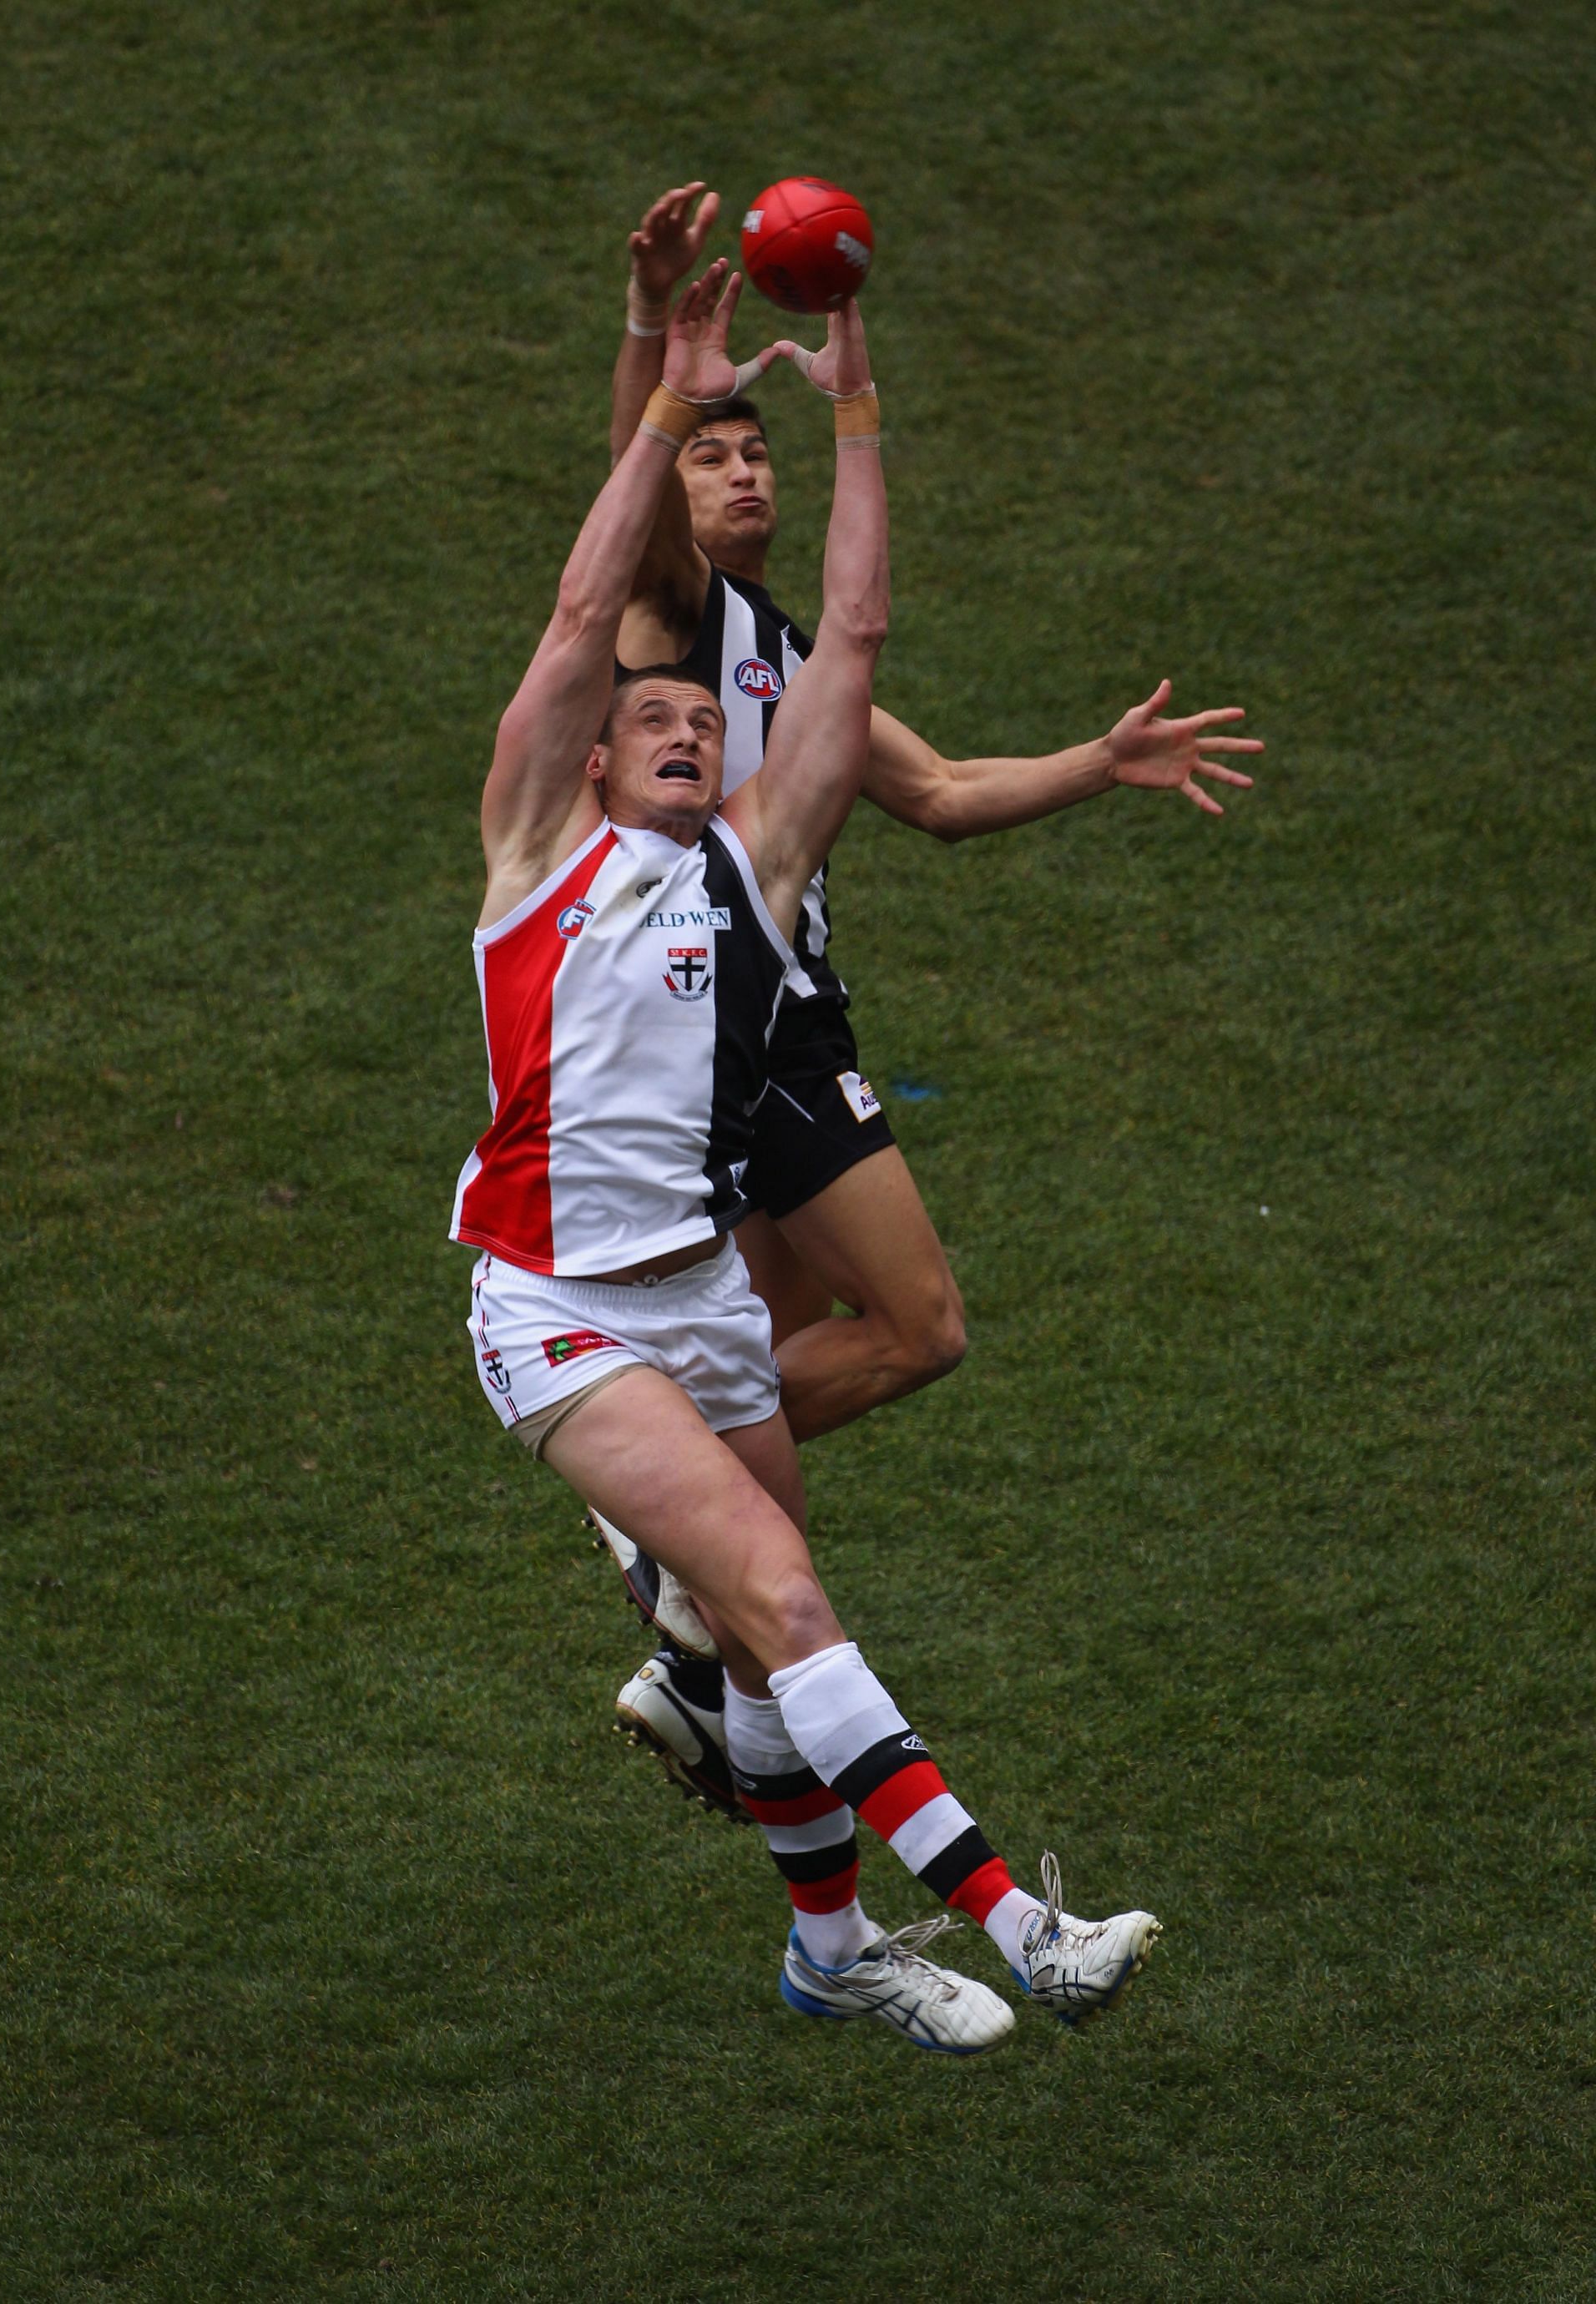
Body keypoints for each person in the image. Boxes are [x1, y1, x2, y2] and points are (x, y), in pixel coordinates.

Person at [452, 259, 1161, 2053]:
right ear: (593, 752)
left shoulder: (753, 883)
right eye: (658, 718)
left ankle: (830, 1953)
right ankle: (1017, 1924)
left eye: (708, 722)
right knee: (780, 1590)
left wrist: (854, 404)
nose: (693, 724)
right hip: (555, 1308)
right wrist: (669, 396)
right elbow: (581, 599)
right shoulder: (534, 855)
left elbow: (851, 650)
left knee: (766, 1630)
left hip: (695, 1293)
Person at [601, 184, 1263, 1814]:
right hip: (737, 1038)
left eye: (762, 451)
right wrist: (652, 362)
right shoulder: (669, 612)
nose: (748, 468)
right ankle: (652, 1515)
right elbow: (624, 505)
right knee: (919, 1328)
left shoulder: (777, 642)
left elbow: (949, 791)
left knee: (754, 1373)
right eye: (716, 451)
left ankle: (707, 1678)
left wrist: (1102, 765)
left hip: (747, 1031)